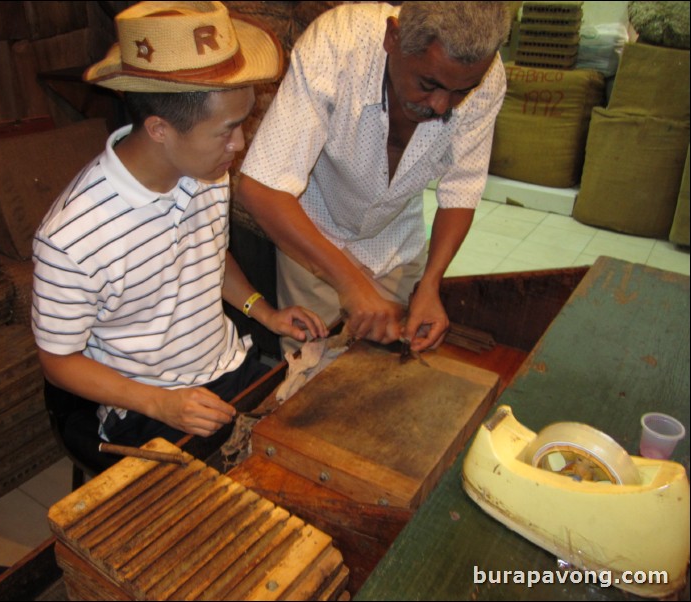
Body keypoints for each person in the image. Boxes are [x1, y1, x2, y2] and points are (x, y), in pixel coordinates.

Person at [31, 2, 328, 454]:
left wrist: (264, 312)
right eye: (227, 130)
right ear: (159, 129)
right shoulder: (71, 239)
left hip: (228, 368)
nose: (240, 143)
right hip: (145, 406)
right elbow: (57, 361)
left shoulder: (207, 172)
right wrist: (161, 403)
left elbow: (210, 253)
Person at [237, 1, 511, 354]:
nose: (443, 105)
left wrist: (430, 283)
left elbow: (462, 189)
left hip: (396, 240)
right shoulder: (336, 44)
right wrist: (350, 282)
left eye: (462, 92)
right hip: (314, 237)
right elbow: (259, 188)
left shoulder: (484, 77)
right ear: (392, 38)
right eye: (428, 84)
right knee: (313, 377)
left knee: (395, 370)